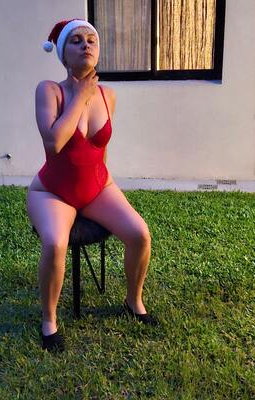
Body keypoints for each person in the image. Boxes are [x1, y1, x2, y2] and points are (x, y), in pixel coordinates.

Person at [26, 19, 158, 352]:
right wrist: (80, 97)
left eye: (91, 40)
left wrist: (102, 184)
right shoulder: (49, 91)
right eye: (76, 41)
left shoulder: (108, 95)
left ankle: (134, 302)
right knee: (55, 242)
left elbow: (100, 149)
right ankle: (49, 321)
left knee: (140, 234)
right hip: (52, 191)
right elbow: (54, 143)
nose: (86, 44)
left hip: (97, 187)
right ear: (62, 54)